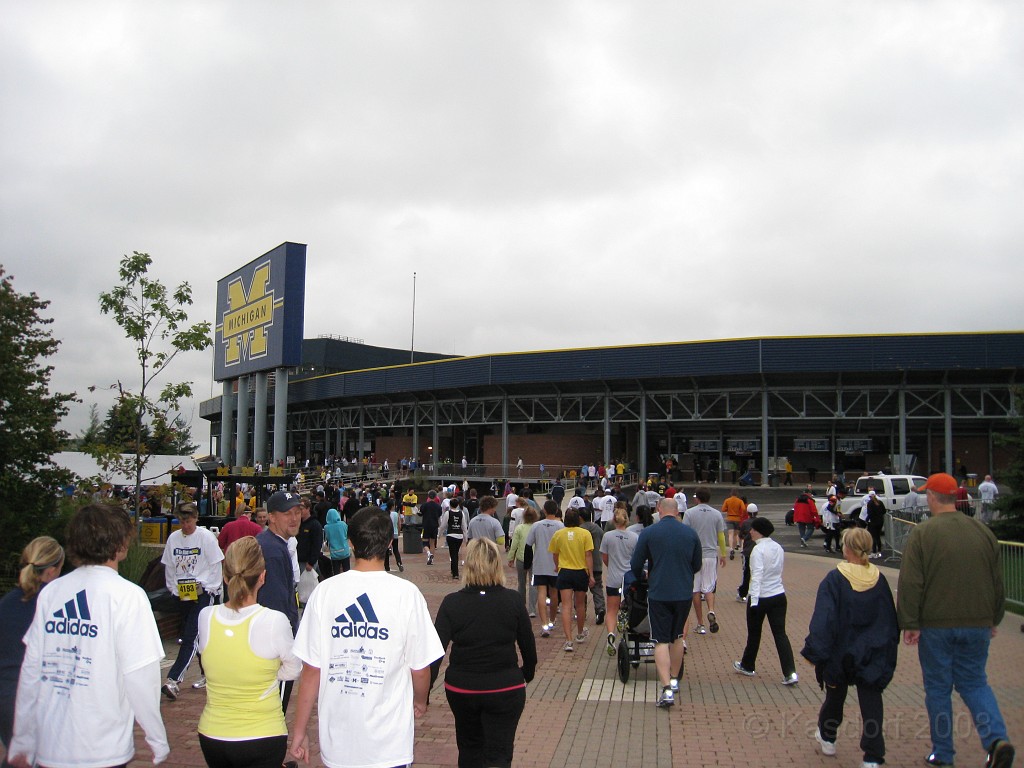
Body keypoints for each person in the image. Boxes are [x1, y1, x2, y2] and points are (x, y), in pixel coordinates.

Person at [9, 505, 169, 768]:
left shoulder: (52, 592)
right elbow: (141, 675)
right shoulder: (127, 596)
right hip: (102, 748)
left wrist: (24, 739)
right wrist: (157, 737)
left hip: (51, 745)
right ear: (119, 542)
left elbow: (31, 671)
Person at [288, 507, 444, 768]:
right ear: (391, 543)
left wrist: (299, 731)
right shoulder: (407, 594)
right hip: (389, 744)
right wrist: (420, 701)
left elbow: (311, 671)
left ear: (350, 543)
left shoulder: (325, 592)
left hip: (337, 741)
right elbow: (420, 668)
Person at [897, 473, 1015, 768]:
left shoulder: (923, 534)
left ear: (933, 497)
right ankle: (996, 739)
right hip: (977, 623)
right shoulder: (982, 531)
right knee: (975, 682)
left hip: (936, 624)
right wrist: (994, 617)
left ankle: (943, 753)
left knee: (938, 689)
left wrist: (909, 622)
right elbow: (997, 582)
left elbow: (912, 582)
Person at [431, 539, 537, 768]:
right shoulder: (513, 601)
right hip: (505, 686)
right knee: (500, 752)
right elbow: (528, 647)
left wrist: (426, 689)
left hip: (463, 686)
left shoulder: (452, 603)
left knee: (469, 748)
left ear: (467, 565)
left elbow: (436, 651)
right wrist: (525, 674)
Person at [197, 537, 301, 768]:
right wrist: (266, 674)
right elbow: (293, 669)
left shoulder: (206, 617)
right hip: (262, 736)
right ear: (262, 576)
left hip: (213, 736)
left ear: (225, 576)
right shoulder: (274, 621)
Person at [801, 528, 899, 768]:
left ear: (846, 548)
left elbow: (824, 618)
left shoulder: (835, 579)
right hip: (873, 650)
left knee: (835, 696)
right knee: (871, 701)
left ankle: (828, 736)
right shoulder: (879, 579)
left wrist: (816, 651)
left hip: (840, 651)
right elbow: (889, 619)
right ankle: (873, 756)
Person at [630, 497, 702, 708]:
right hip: (683, 592)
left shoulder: (649, 533)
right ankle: (674, 679)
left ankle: (666, 689)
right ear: (678, 511)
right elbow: (696, 564)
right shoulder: (690, 533)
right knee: (677, 636)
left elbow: (635, 563)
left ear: (658, 510)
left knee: (660, 639)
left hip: (659, 592)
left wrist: (642, 576)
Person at [0, 537, 64, 763]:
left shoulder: (6, 603)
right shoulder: (56, 606)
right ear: (53, 570)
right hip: (36, 698)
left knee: (17, 757)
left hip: (6, 697)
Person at [161, 501, 224, 699]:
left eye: (188, 520)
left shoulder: (206, 537)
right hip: (182, 593)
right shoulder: (174, 539)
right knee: (198, 637)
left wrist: (210, 588)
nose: (185, 525)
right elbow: (169, 565)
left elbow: (216, 564)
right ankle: (210, 673)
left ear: (196, 519)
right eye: (182, 521)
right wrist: (172, 588)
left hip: (203, 592)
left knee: (190, 637)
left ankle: (173, 679)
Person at [733, 517, 798, 686]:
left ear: (759, 531)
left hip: (761, 596)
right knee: (780, 634)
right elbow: (778, 569)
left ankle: (748, 664)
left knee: (754, 633)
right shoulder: (777, 547)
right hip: (778, 594)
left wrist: (753, 600)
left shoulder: (757, 550)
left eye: (753, 530)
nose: (750, 533)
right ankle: (790, 672)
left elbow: (757, 576)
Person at [257, 490, 303, 713]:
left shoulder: (274, 544)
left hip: (266, 638)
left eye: (297, 512)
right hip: (274, 644)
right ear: (271, 517)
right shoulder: (273, 550)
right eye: (287, 514)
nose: (294, 518)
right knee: (275, 709)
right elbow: (275, 604)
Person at [548, 508, 595, 652]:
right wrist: (591, 575)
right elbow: (588, 556)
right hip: (581, 571)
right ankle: (580, 633)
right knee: (580, 605)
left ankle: (568, 640)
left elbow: (555, 554)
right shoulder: (585, 533)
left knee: (566, 606)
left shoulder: (558, 534)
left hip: (565, 571)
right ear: (579, 519)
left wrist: (557, 567)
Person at [683, 486, 727, 635]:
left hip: (694, 555)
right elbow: (721, 536)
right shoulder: (716, 514)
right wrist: (723, 553)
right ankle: (712, 610)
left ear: (697, 498)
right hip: (710, 554)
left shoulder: (689, 513)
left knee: (695, 589)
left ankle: (700, 623)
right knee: (709, 587)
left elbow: (685, 535)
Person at [600, 506, 638, 654]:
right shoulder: (634, 537)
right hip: (629, 579)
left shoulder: (608, 536)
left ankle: (610, 634)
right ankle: (624, 622)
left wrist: (612, 566)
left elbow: (605, 557)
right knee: (628, 606)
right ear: (627, 520)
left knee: (611, 610)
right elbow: (636, 559)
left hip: (613, 579)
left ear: (613, 520)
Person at [526, 500, 564, 637]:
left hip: (539, 564)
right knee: (554, 593)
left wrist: (527, 562)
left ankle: (544, 624)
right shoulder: (561, 526)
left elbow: (528, 544)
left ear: (545, 511)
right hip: (555, 565)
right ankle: (552, 620)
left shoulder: (536, 525)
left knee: (541, 592)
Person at [507, 505, 538, 614]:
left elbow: (514, 544)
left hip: (521, 558)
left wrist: (511, 558)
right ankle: (532, 609)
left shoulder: (519, 528)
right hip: (534, 558)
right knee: (533, 584)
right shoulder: (537, 527)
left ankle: (521, 606)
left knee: (521, 582)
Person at [579, 508, 606, 625]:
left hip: (582, 564)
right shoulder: (597, 529)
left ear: (580, 517)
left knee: (580, 589)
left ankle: (581, 611)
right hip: (597, 564)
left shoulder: (579, 530)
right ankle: (600, 608)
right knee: (597, 588)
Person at [441, 496, 467, 579]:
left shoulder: (448, 513)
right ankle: (453, 569)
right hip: (459, 535)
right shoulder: (461, 513)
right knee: (456, 552)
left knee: (453, 553)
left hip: (451, 535)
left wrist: (439, 534)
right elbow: (464, 526)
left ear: (450, 505)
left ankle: (455, 572)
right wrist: (465, 537)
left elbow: (443, 525)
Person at [323, 508, 351, 575]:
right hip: (345, 552)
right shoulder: (343, 524)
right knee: (347, 571)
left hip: (334, 553)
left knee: (336, 573)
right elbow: (347, 535)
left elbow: (327, 539)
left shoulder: (326, 527)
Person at [860, 491, 887, 559]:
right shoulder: (880, 502)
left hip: (873, 521)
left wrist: (866, 520)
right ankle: (879, 551)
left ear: (869, 496)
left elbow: (870, 513)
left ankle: (873, 552)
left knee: (873, 536)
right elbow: (884, 511)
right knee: (878, 536)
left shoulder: (870, 503)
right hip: (880, 521)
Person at [420, 490, 442, 565]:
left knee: (424, 542)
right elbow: (439, 515)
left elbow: (421, 513)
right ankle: (431, 559)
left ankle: (429, 553)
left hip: (426, 525)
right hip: (434, 525)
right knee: (432, 542)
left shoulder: (424, 505)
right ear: (436, 497)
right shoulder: (438, 506)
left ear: (428, 496)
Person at [721, 490, 746, 558]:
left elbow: (723, 509)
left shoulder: (727, 500)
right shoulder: (739, 501)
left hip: (729, 518)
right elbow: (743, 509)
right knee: (736, 535)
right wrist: (740, 514)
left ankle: (731, 548)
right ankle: (735, 547)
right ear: (737, 494)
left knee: (730, 534)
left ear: (731, 494)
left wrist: (728, 509)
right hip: (737, 518)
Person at [384, 501, 405, 573]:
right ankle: (399, 563)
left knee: (386, 550)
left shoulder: (385, 514)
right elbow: (399, 524)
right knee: (396, 550)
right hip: (395, 533)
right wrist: (399, 532)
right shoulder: (396, 514)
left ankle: (387, 566)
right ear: (393, 506)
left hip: (387, 534)